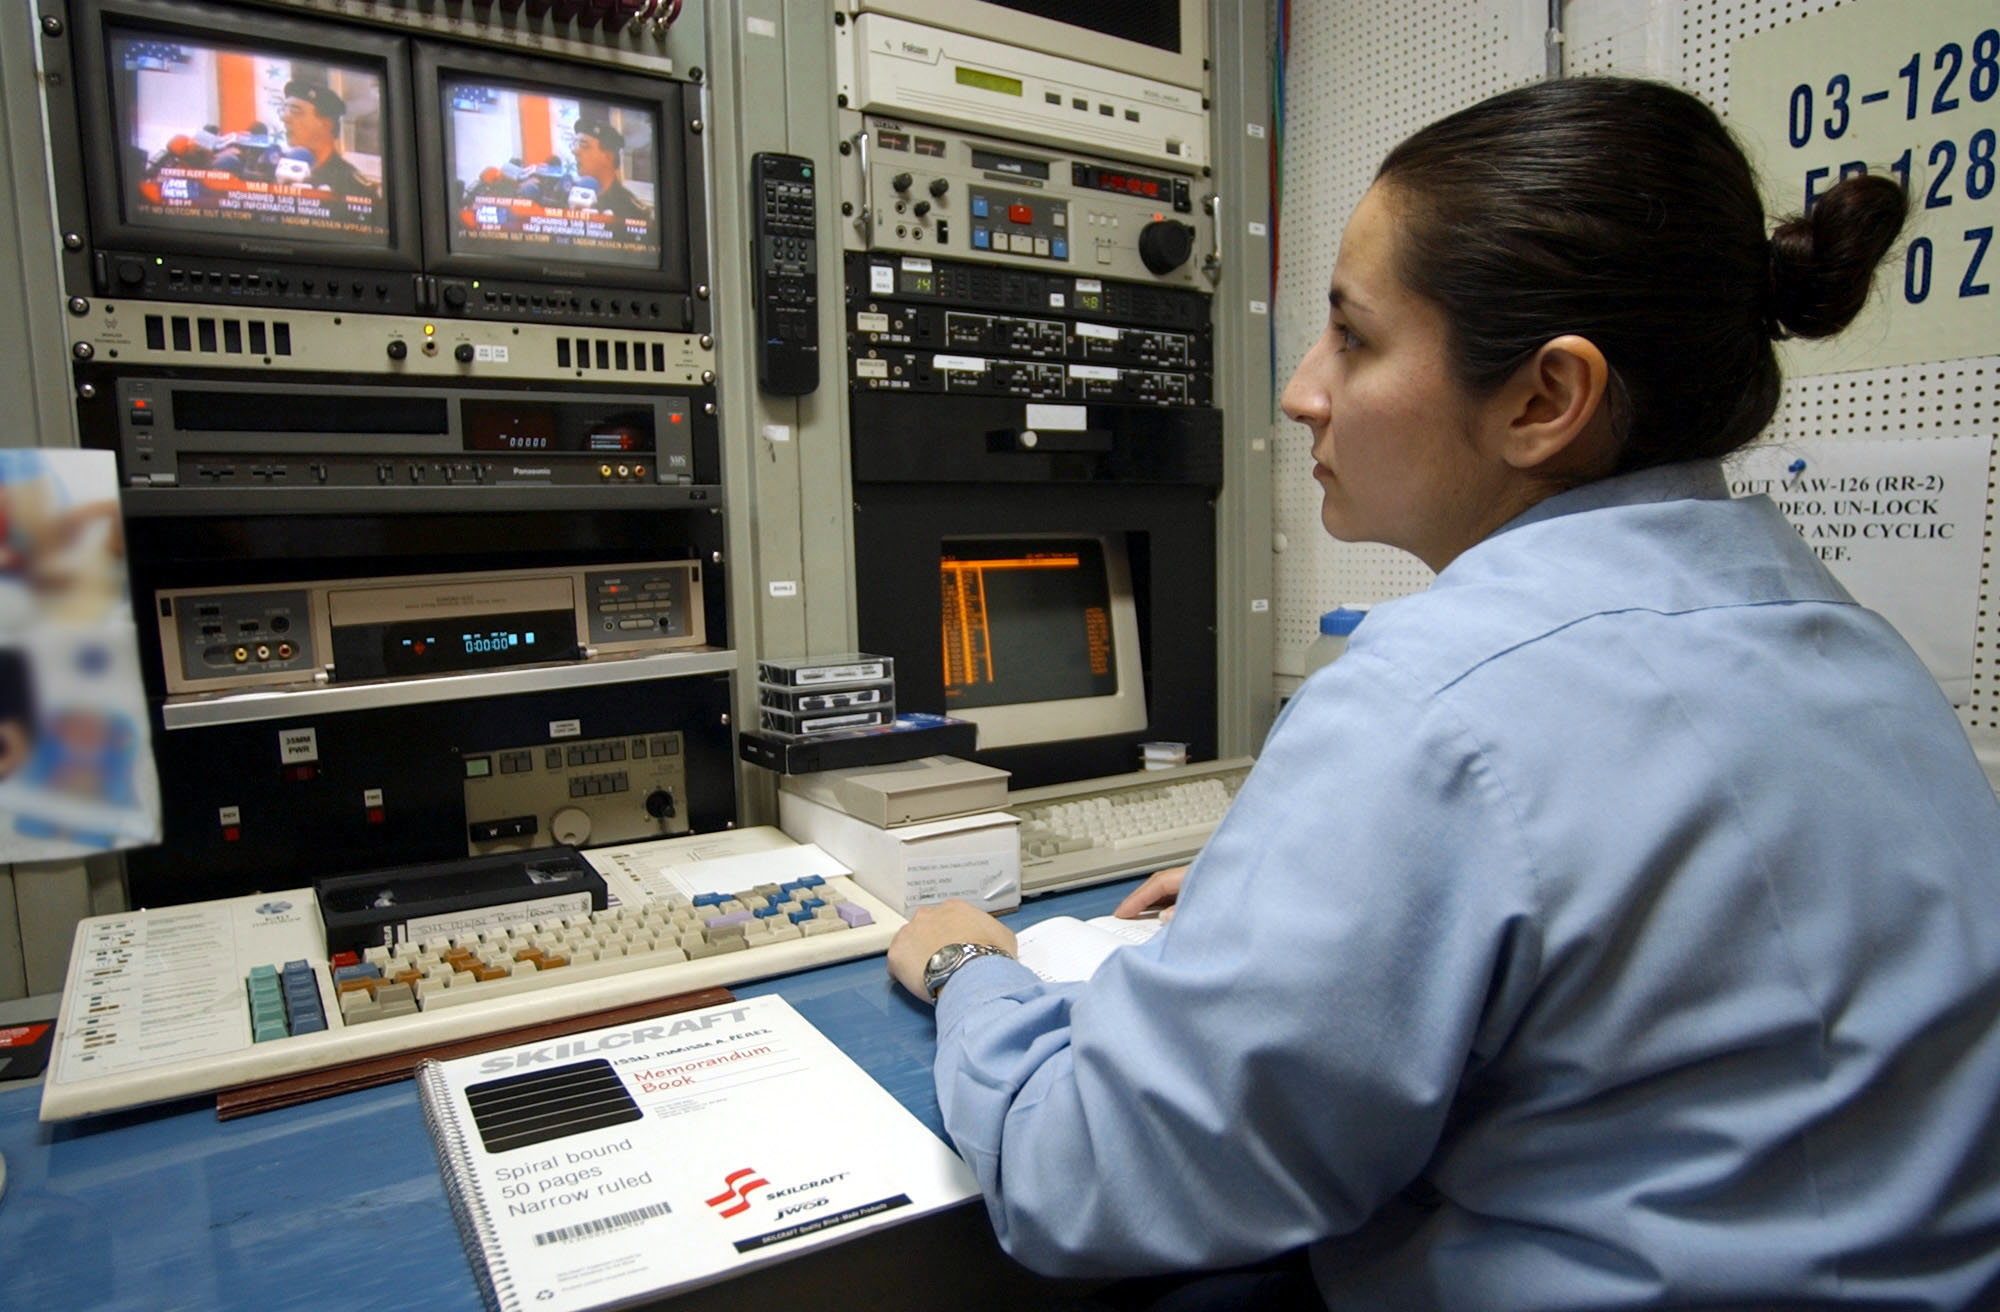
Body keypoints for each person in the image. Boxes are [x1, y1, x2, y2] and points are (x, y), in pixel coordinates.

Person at [887, 76, 2000, 1311]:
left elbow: (1091, 1175)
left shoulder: (1428, 703)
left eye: (1352, 337)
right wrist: (1359, 911)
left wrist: (968, 971)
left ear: (1543, 399)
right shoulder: (1857, 650)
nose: (1303, 388)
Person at [278, 78, 377, 198]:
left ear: (326, 124)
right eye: (283, 110)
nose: (284, 118)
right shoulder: (273, 169)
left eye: (295, 111)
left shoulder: (353, 186)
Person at [569, 115, 651, 222]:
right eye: (574, 144)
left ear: (608, 156)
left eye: (584, 145)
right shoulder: (564, 195)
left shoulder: (632, 210)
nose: (574, 151)